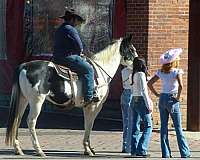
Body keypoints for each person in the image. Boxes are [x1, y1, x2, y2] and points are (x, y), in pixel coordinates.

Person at [147, 48, 191, 158]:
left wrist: (157, 94)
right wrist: (178, 97)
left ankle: (166, 153)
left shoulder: (160, 72)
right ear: (174, 61)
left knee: (163, 127)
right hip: (172, 99)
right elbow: (181, 86)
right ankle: (184, 153)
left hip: (162, 98)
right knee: (178, 127)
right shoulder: (177, 71)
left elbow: (150, 83)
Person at [53, 8, 99, 104]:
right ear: (72, 19)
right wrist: (81, 53)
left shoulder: (60, 29)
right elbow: (79, 46)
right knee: (89, 69)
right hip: (68, 57)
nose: (78, 23)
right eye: (77, 20)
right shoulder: (71, 29)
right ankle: (88, 97)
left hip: (56, 58)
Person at [130, 57, 153, 157]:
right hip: (141, 100)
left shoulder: (133, 74)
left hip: (134, 99)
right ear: (143, 65)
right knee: (148, 125)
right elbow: (144, 90)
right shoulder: (141, 74)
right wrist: (148, 104)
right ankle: (142, 149)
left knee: (135, 125)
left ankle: (133, 149)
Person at [120, 66, 133, 153]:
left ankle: (125, 145)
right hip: (131, 93)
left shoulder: (123, 70)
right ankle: (129, 145)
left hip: (124, 94)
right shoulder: (133, 72)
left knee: (126, 122)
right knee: (131, 122)